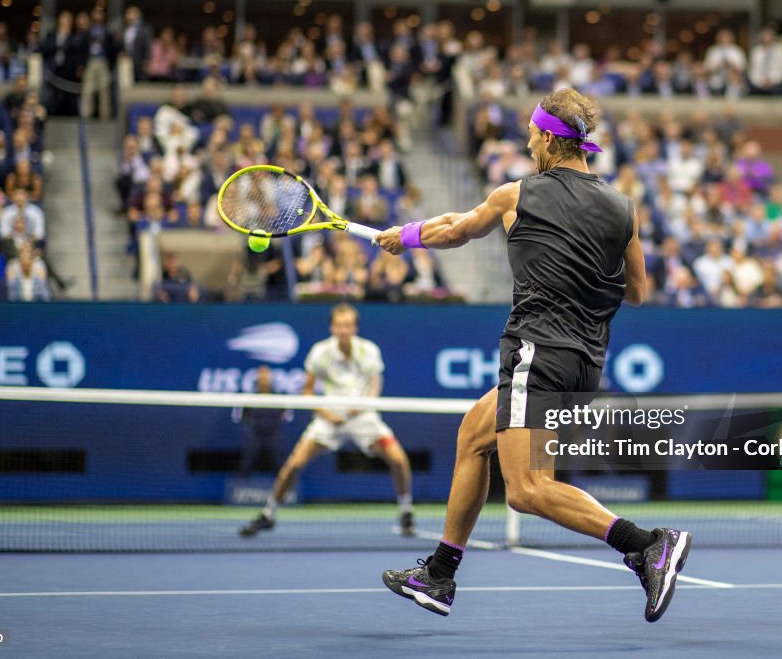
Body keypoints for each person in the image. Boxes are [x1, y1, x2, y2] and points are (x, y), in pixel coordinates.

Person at [376, 88, 690, 622]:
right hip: (583, 362)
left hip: (536, 351)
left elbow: (454, 229)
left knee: (526, 489)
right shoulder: (623, 208)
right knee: (474, 436)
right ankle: (441, 573)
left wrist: (405, 235)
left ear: (548, 138)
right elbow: (637, 291)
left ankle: (646, 544)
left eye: (530, 133)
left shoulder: (517, 194)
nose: (526, 140)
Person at [239, 303, 417, 538]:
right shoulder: (320, 352)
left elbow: (375, 383)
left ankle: (406, 511)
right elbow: (308, 391)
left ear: (355, 327)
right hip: (328, 420)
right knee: (294, 464)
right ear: (332, 327)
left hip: (363, 418)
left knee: (399, 460)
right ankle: (268, 514)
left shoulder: (369, 350)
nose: (344, 330)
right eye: (339, 325)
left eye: (348, 325)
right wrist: (326, 413)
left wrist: (363, 404)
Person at [232, 366, 288, 475]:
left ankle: (284, 488)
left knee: (281, 464)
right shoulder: (251, 397)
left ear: (270, 378)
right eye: (261, 376)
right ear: (257, 378)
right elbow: (244, 416)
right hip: (255, 434)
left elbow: (284, 414)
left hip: (273, 435)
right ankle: (240, 484)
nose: (264, 379)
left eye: (266, 376)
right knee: (245, 461)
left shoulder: (278, 397)